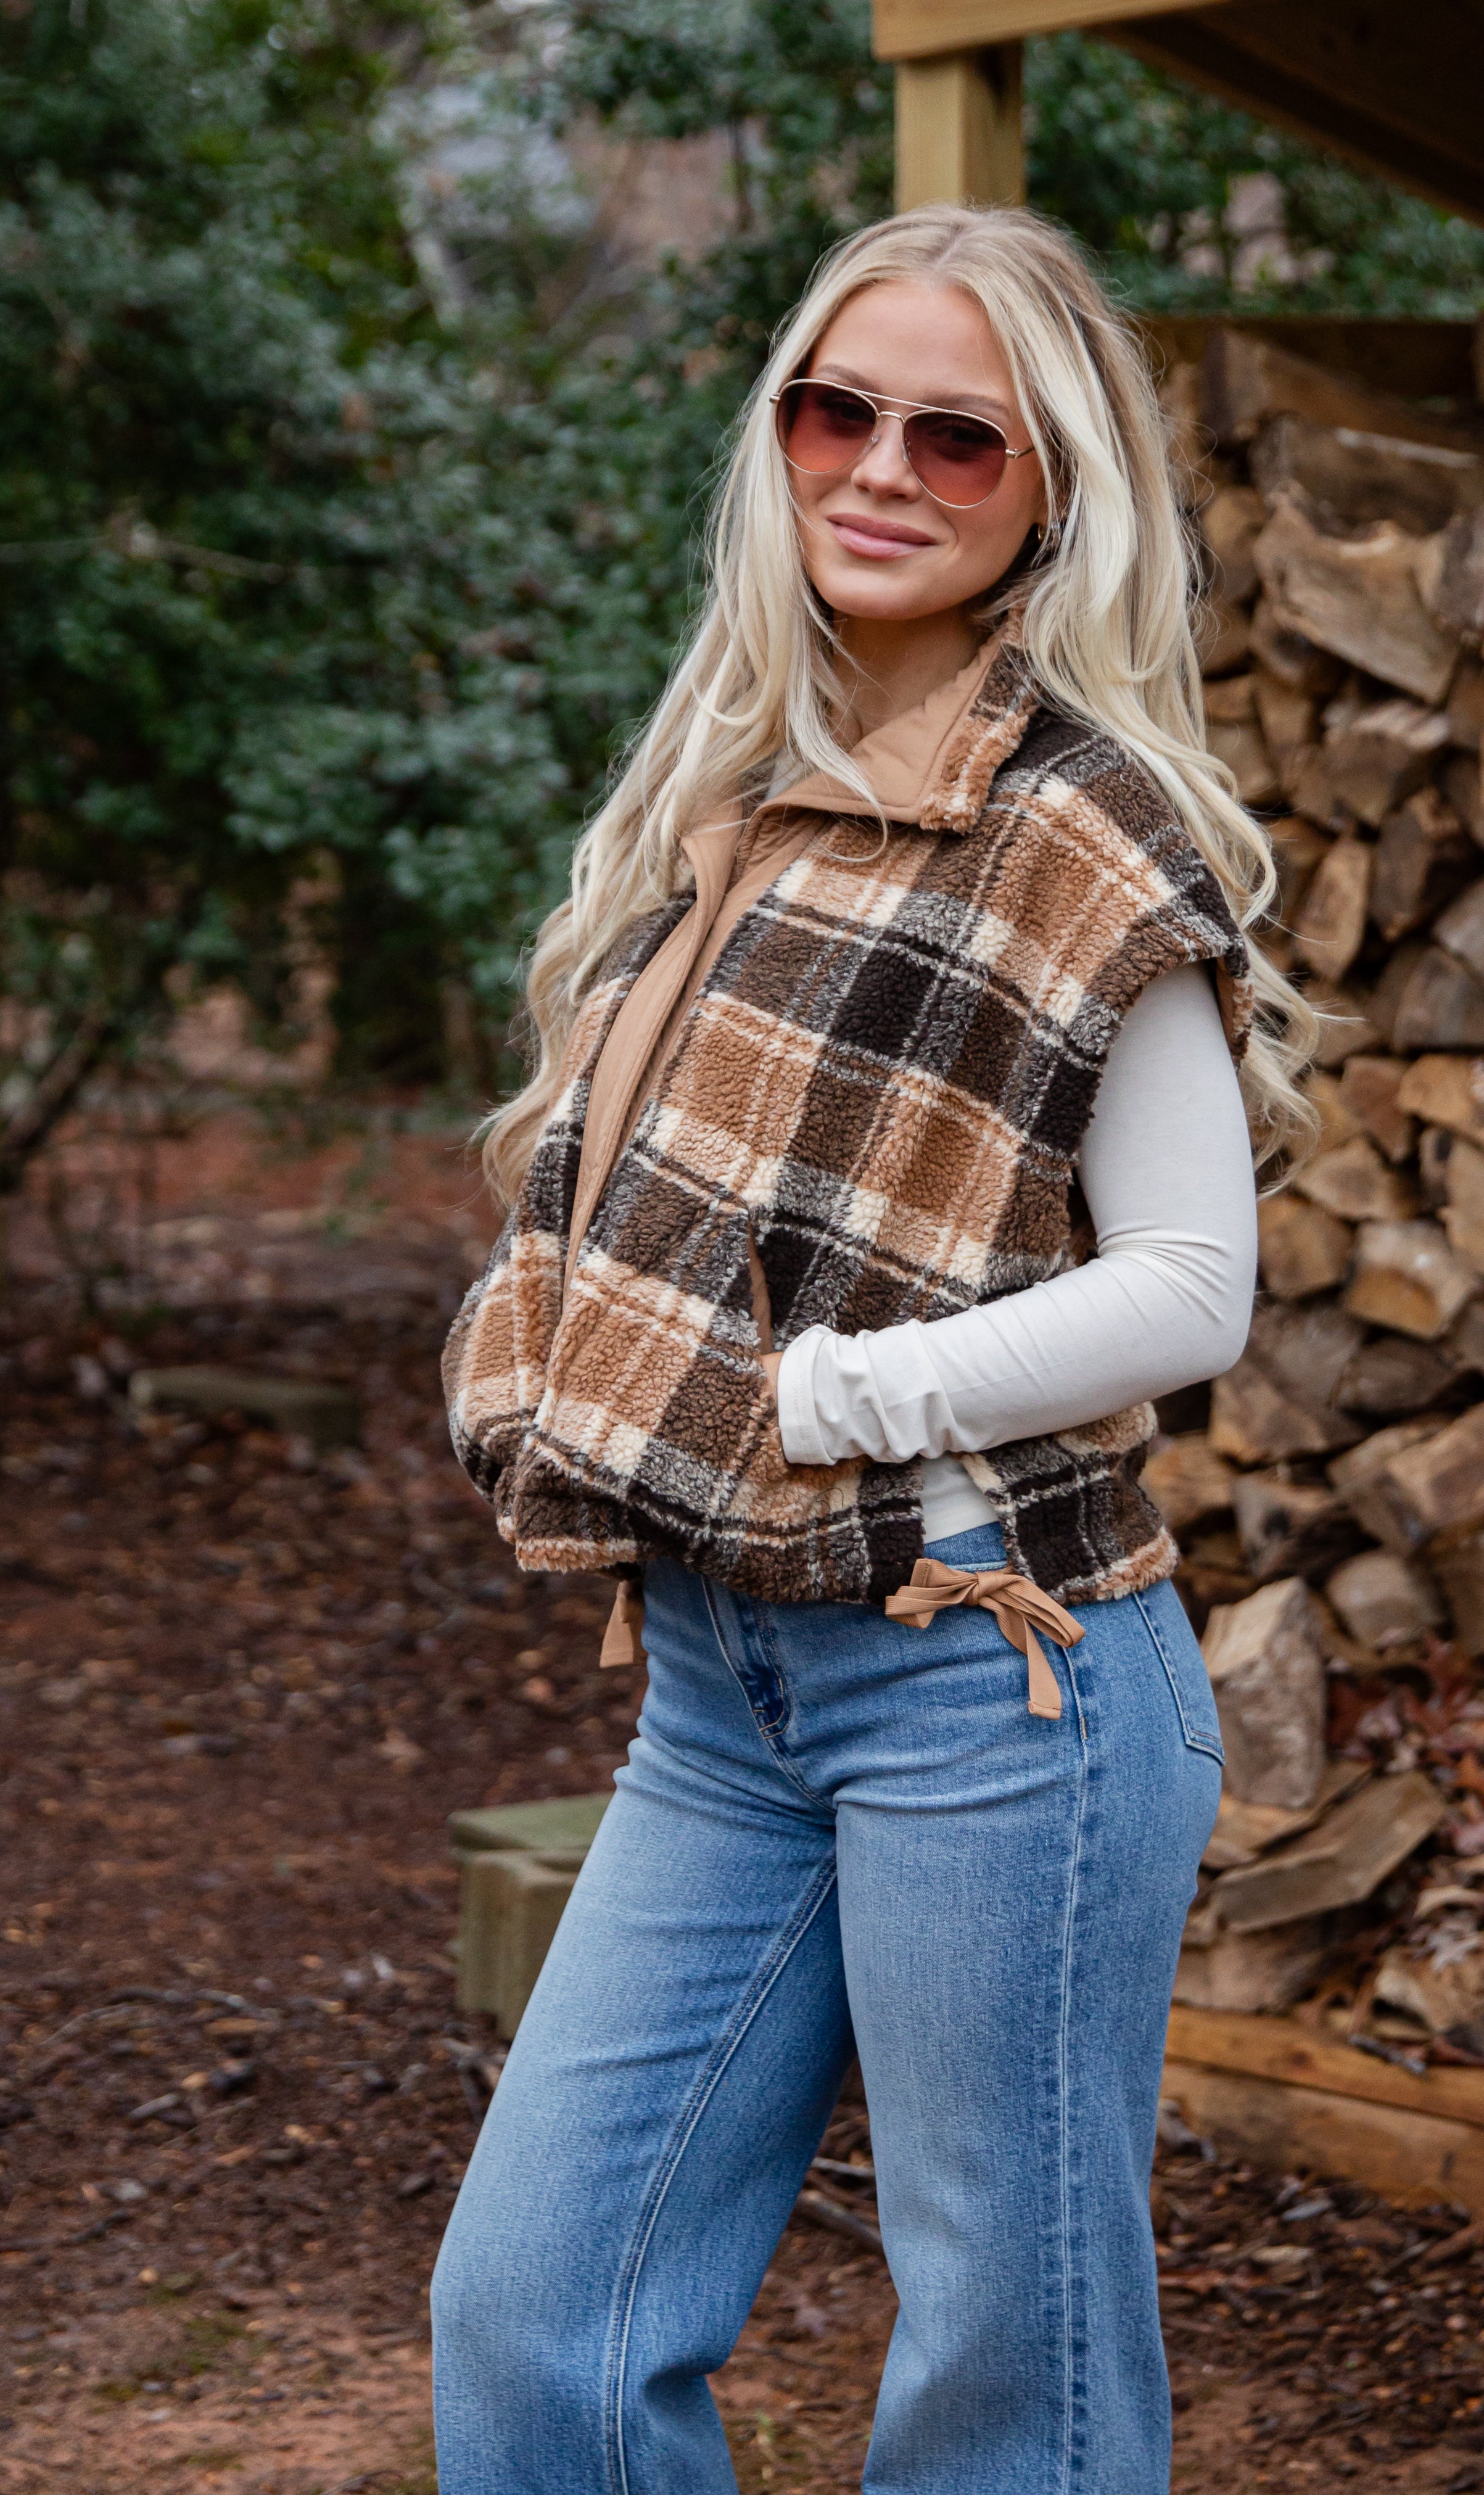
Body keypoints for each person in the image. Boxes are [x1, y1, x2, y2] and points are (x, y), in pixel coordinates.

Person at [431, 201, 1316, 2495]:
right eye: (839, 408)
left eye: (961, 433)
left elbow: (1188, 1287)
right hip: (728, 1688)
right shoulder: (734, 792)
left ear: (1055, 492)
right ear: (778, 435)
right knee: (540, 2314)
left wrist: (823, 1404)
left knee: (1000, 2383)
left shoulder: (1079, 827)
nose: (883, 467)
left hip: (997, 1679)